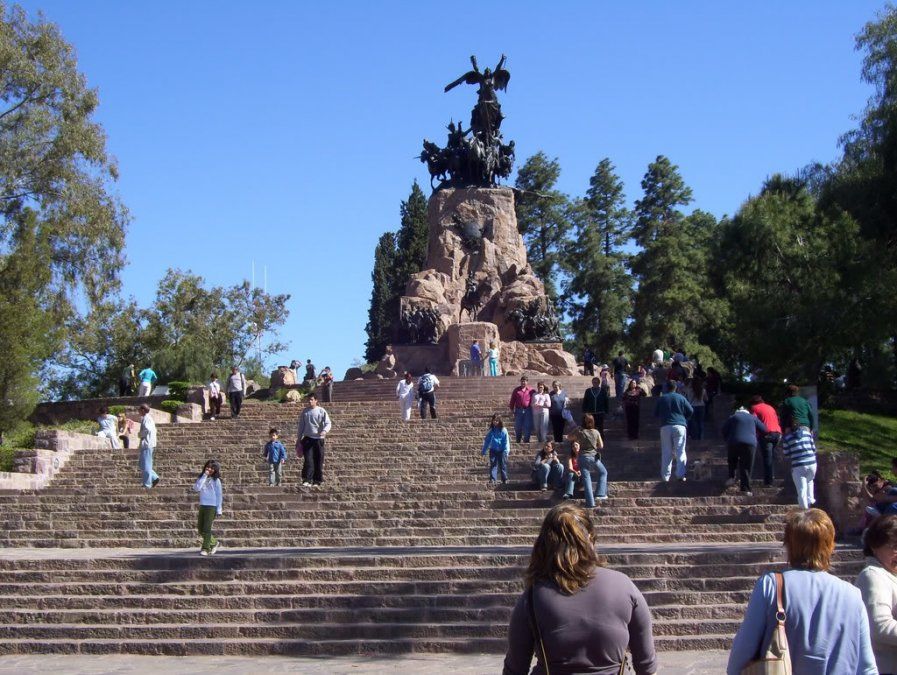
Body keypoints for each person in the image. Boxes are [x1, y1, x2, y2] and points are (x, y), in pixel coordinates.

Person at [503, 503, 657, 675]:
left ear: (544, 544)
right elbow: (647, 665)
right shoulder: (624, 585)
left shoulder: (534, 595)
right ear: (590, 538)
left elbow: (515, 668)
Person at [727, 509, 875, 674]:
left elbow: (744, 649)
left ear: (789, 544)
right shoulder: (852, 595)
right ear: (830, 545)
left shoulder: (771, 586)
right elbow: (867, 666)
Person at [855, 514, 897, 674]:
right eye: (894, 546)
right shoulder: (873, 575)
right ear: (875, 546)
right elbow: (880, 626)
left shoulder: (889, 574)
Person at [721, 406, 768, 496]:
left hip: (734, 441)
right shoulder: (753, 417)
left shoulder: (733, 417)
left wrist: (728, 439)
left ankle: (731, 476)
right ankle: (745, 489)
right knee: (746, 466)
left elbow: (723, 430)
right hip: (750, 443)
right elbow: (764, 430)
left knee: (732, 459)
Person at [654, 381, 693, 483]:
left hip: (665, 426)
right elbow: (690, 410)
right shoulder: (681, 397)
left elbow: (655, 413)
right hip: (680, 425)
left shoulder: (662, 398)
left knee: (666, 451)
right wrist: (683, 418)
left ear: (666, 388)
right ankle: (680, 474)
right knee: (680, 451)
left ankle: (665, 477)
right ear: (676, 388)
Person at [566, 413, 607, 506]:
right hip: (594, 457)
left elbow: (569, 437)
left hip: (583, 457)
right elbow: (601, 445)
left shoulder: (580, 431)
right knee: (603, 472)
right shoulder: (596, 432)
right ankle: (600, 493)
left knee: (586, 480)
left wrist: (576, 430)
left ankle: (590, 503)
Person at [297, 393, 331, 487]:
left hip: (319, 440)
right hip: (308, 439)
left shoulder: (321, 411)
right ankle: (307, 479)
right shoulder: (305, 412)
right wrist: (298, 440)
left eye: (312, 399)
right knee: (308, 460)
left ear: (316, 400)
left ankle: (317, 480)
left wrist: (324, 431)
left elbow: (328, 423)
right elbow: (301, 427)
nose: (310, 401)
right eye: (309, 399)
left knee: (319, 460)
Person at [781, 421, 818, 509]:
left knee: (801, 488)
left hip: (798, 465)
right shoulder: (807, 434)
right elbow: (813, 448)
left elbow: (786, 453)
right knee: (810, 481)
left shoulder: (787, 438)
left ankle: (804, 508)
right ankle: (811, 501)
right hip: (812, 463)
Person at [192, 459, 223, 556]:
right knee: (200, 529)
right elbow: (197, 488)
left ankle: (206, 548)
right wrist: (204, 475)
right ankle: (214, 542)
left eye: (212, 468)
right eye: (208, 467)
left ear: (215, 470)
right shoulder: (202, 478)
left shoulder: (216, 481)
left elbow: (219, 495)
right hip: (203, 505)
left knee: (207, 529)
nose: (209, 469)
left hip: (211, 506)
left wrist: (219, 509)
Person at [750, 394, 782, 487]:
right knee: (770, 456)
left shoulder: (754, 408)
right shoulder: (770, 407)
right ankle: (772, 475)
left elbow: (753, 422)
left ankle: (769, 482)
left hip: (767, 434)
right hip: (778, 433)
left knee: (767, 458)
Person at [481, 414, 510, 485]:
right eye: (494, 420)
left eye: (497, 421)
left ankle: (504, 479)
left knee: (503, 465)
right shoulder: (491, 430)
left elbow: (506, 441)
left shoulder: (504, 430)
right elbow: (487, 441)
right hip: (493, 450)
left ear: (500, 421)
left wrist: (506, 451)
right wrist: (484, 451)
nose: (495, 422)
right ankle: (493, 479)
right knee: (493, 464)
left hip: (502, 450)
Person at [137, 404, 159, 489]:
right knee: (142, 464)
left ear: (143, 410)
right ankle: (154, 478)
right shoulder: (147, 418)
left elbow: (147, 430)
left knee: (146, 464)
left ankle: (147, 484)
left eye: (139, 409)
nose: (138, 411)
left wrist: (140, 434)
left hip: (147, 444)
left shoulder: (146, 418)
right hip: (148, 444)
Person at [508, 376, 535, 443]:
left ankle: (526, 441)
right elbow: (512, 400)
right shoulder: (516, 390)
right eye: (522, 381)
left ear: (527, 382)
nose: (523, 382)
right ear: (520, 382)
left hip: (528, 410)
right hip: (518, 410)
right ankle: (518, 440)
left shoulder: (531, 390)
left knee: (527, 426)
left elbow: (535, 399)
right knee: (518, 427)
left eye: (525, 381)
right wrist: (511, 409)